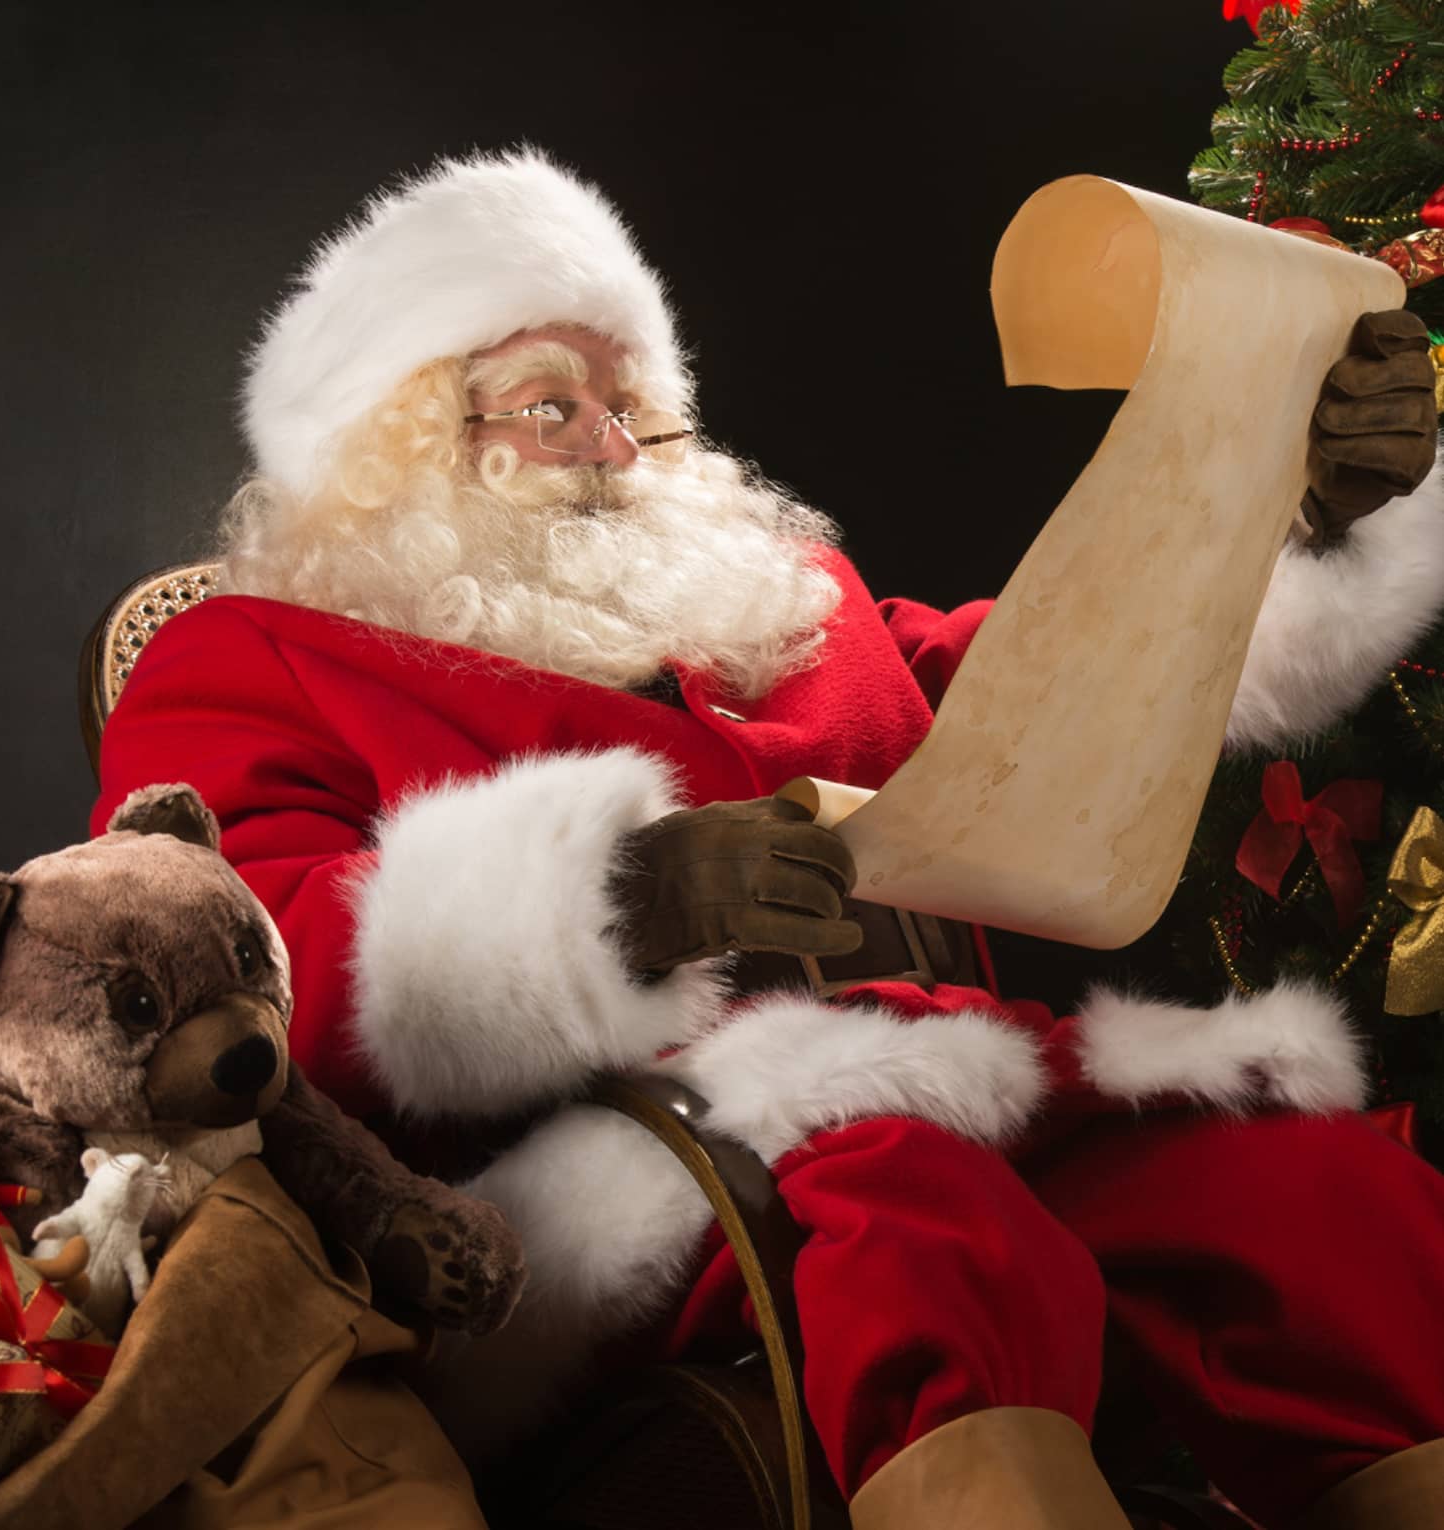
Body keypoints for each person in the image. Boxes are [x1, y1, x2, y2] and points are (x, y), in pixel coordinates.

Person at [93, 148, 1444, 1529]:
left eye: (631, 406)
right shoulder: (245, 655)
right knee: (911, 1197)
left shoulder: (781, 606)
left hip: (949, 1087)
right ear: (400, 451)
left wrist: (1296, 518)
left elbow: (1045, 691)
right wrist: (621, 898)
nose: (613, 447)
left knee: (1295, 1187)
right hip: (582, 1195)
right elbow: (221, 978)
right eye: (555, 405)